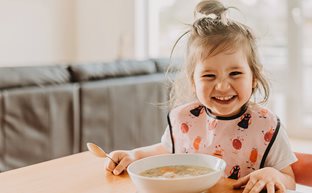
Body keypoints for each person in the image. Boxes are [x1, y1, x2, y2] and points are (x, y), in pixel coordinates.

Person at [105, 0, 297, 192]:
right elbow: (166, 149)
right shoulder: (184, 118)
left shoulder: (267, 126)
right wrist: (135, 155)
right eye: (209, 76)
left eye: (235, 74)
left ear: (254, 78)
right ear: (193, 82)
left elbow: (289, 181)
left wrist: (274, 175)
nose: (222, 86)